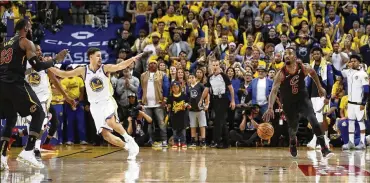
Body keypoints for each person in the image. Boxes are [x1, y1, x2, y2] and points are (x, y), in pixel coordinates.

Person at [48, 48, 147, 160]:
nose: (100, 58)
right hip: (94, 106)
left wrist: (132, 59)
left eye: (101, 56)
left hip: (107, 101)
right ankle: (129, 148)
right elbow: (64, 74)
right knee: (106, 135)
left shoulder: (105, 68)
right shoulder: (83, 70)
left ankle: (129, 139)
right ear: (91, 57)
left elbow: (119, 66)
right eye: (98, 56)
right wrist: (47, 66)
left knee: (111, 121)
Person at [0, 19, 68, 170]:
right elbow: (37, 66)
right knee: (39, 114)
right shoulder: (25, 42)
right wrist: (56, 59)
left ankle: (2, 156)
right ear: (25, 28)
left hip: (2, 85)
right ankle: (29, 150)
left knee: (11, 118)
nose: (31, 30)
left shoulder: (4, 44)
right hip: (14, 83)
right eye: (30, 27)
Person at [262, 47, 333, 158]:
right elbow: (274, 90)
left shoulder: (302, 67)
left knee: (314, 121)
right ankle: (292, 142)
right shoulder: (281, 73)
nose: (286, 55)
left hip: (303, 99)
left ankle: (324, 148)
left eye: (289, 53)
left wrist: (319, 87)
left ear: (295, 57)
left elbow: (313, 73)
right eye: (285, 54)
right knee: (293, 128)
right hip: (289, 103)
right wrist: (270, 107)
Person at [24, 45, 76, 155]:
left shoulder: (45, 65)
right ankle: (21, 138)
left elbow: (55, 81)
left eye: (40, 50)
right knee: (32, 124)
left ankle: (36, 148)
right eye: (36, 50)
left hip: (44, 98)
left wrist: (66, 96)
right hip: (30, 98)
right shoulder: (24, 64)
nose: (39, 52)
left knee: (42, 122)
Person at [199, 59, 236, 148]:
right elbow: (206, 89)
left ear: (219, 66)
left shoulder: (224, 76)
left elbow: (231, 88)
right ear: (211, 67)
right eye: (213, 65)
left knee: (219, 120)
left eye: (216, 65)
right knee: (221, 121)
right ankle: (226, 142)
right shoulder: (210, 77)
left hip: (223, 99)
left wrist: (233, 100)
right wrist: (201, 99)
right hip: (215, 99)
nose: (215, 67)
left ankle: (217, 141)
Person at [340, 55, 369, 150]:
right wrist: (345, 64)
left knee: (361, 122)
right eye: (351, 61)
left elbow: (366, 90)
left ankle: (362, 142)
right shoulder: (349, 72)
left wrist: (363, 103)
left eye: (354, 61)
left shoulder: (363, 74)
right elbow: (339, 71)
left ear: (359, 62)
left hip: (359, 103)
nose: (352, 63)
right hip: (350, 103)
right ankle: (351, 142)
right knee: (351, 122)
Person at [167, 81, 190, 149]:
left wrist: (186, 104)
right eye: (173, 87)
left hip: (182, 116)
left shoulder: (184, 95)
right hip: (174, 116)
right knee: (175, 130)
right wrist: (168, 107)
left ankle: (183, 142)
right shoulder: (170, 97)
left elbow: (188, 102)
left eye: (176, 87)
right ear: (172, 88)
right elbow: (169, 106)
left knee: (183, 130)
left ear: (179, 87)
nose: (175, 88)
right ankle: (176, 142)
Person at [188, 73, 208, 147]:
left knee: (202, 125)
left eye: (193, 77)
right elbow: (187, 98)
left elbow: (207, 94)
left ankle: (203, 140)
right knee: (192, 125)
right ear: (188, 79)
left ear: (196, 78)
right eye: (190, 77)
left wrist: (207, 104)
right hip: (191, 110)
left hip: (200, 109)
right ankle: (193, 140)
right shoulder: (188, 87)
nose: (191, 79)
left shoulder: (200, 85)